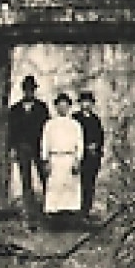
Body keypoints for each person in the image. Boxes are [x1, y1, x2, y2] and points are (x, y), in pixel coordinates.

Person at [6, 75, 49, 223]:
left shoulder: (42, 108)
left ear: (35, 91)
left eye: (32, 90)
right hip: (22, 147)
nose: (29, 93)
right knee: (26, 180)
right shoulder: (15, 110)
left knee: (44, 177)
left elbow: (46, 130)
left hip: (38, 146)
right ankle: (29, 212)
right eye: (27, 90)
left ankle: (48, 208)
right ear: (23, 91)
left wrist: (46, 149)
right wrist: (12, 149)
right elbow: (11, 132)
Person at [41, 93, 83, 223]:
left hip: (69, 158)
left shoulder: (75, 125)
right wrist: (46, 160)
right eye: (60, 105)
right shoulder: (49, 124)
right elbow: (45, 143)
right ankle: (54, 219)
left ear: (69, 107)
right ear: (56, 107)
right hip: (55, 158)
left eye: (65, 105)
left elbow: (80, 143)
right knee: (55, 187)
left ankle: (69, 218)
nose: (62, 108)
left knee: (70, 188)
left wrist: (77, 160)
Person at [74, 90, 105, 218]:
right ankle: (77, 210)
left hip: (93, 156)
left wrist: (96, 146)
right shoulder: (75, 118)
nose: (86, 105)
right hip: (80, 156)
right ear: (80, 104)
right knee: (78, 182)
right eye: (83, 102)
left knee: (90, 182)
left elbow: (100, 137)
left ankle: (86, 209)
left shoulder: (95, 120)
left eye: (88, 102)